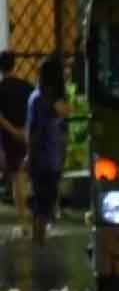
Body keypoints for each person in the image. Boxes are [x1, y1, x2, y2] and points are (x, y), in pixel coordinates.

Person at [25, 54, 69, 245]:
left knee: (41, 204)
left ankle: (38, 241)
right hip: (48, 157)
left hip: (44, 157)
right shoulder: (45, 100)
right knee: (44, 205)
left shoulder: (37, 97)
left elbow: (33, 131)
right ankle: (39, 242)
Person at [0, 51, 34, 227]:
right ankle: (29, 218)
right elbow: (33, 111)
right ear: (14, 64)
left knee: (17, 179)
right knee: (25, 176)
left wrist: (13, 131)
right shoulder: (27, 86)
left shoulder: (1, 88)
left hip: (8, 138)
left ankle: (22, 221)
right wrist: (25, 131)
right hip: (27, 135)